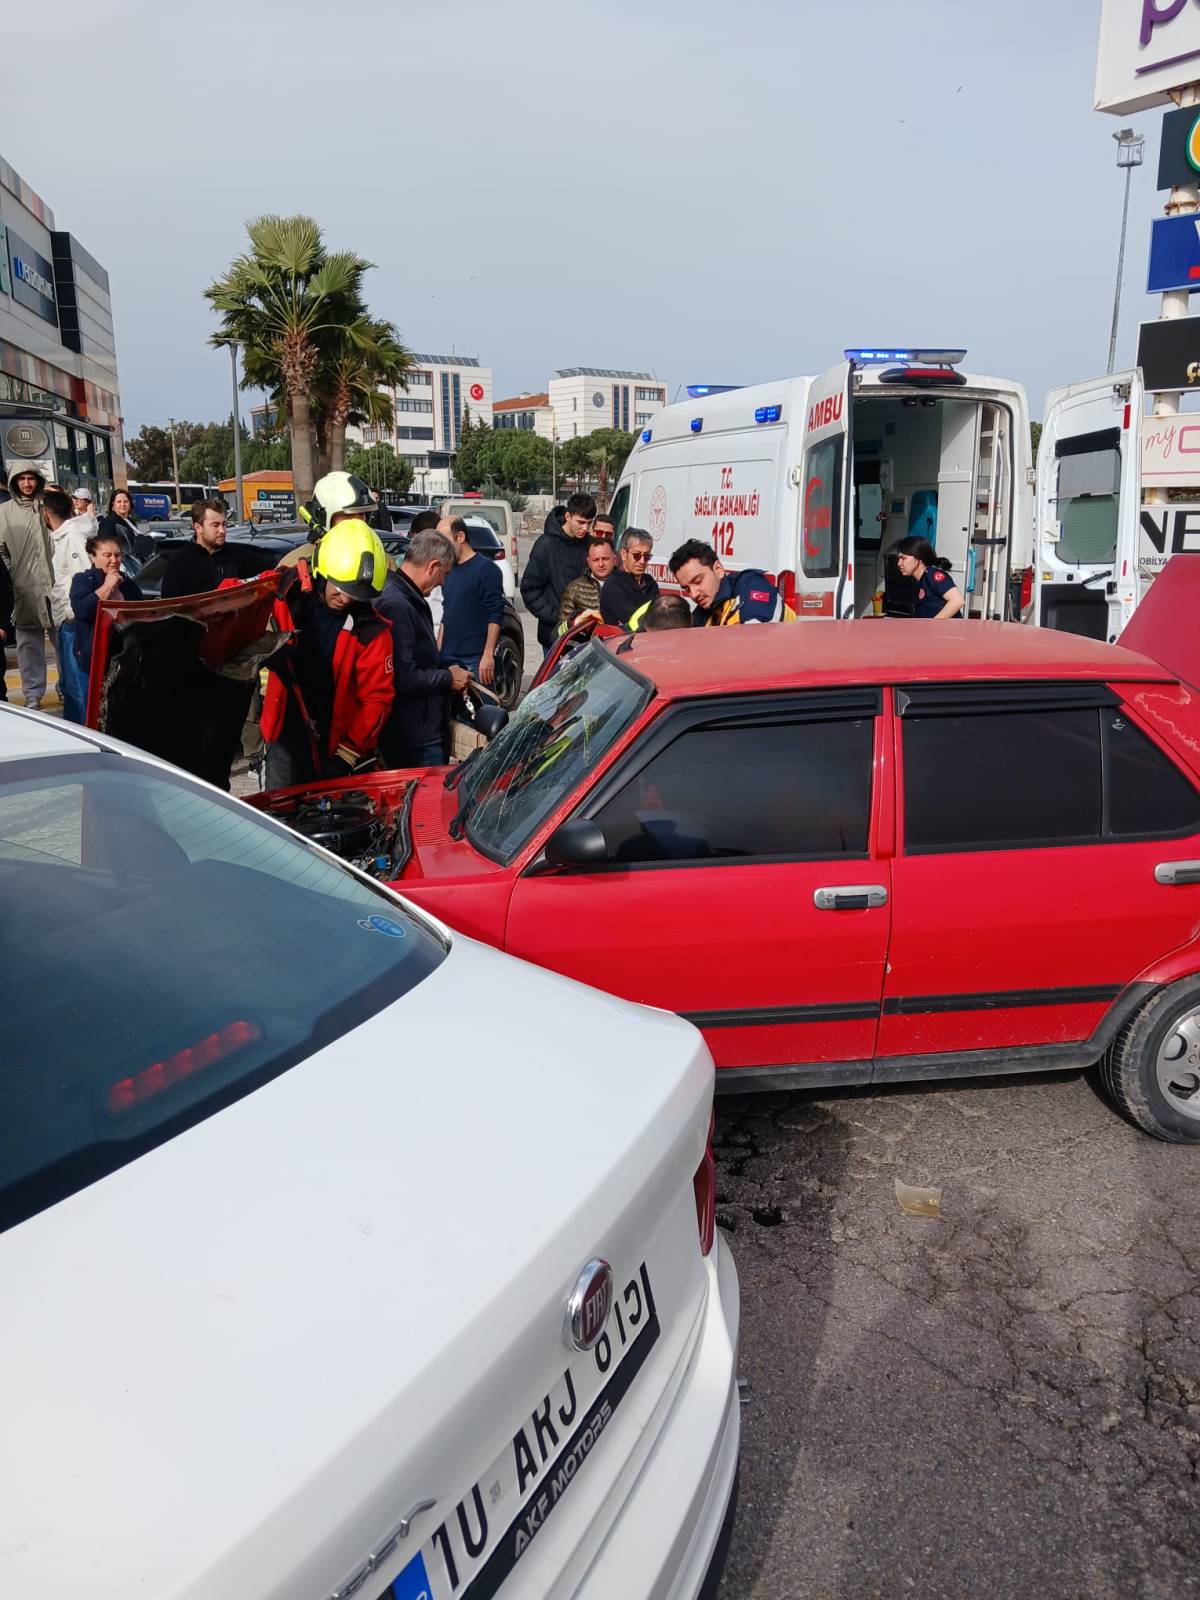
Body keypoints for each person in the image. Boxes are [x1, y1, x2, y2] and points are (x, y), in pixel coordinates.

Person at [260, 518, 395, 788]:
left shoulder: (372, 632)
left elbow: (376, 699)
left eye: (355, 594)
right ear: (322, 571)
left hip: (333, 745)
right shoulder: (285, 593)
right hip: (284, 733)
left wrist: (346, 756)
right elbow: (235, 602)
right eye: (341, 588)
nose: (346, 598)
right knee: (276, 814)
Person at [375, 527, 470, 767]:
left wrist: (449, 664)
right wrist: (448, 678)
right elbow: (403, 676)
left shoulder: (406, 597)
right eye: (443, 575)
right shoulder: (398, 605)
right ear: (432, 566)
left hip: (420, 728)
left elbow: (422, 657)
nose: (442, 583)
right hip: (413, 737)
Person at [0, 462, 53, 709]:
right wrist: (14, 572)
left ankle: (66, 687)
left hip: (54, 586)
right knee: (28, 646)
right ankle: (33, 694)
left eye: (31, 478)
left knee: (63, 641)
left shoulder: (48, 505)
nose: (27, 483)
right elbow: (1, 550)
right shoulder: (5, 512)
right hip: (24, 588)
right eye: (22, 479)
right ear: (14, 483)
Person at [520, 492, 595, 653]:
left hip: (588, 638)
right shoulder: (545, 545)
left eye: (589, 523)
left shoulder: (590, 545)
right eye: (581, 522)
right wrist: (557, 616)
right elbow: (529, 589)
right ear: (568, 516)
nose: (585, 528)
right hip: (555, 639)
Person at [46, 487, 94, 723]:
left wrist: (71, 614)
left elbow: (84, 578)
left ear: (45, 514)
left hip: (74, 622)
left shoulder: (72, 537)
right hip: (66, 621)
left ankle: (89, 739)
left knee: (78, 691)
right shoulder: (61, 537)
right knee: (70, 689)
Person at [437, 515, 504, 685]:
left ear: (460, 537)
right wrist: (437, 652)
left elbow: (495, 614)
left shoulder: (486, 569)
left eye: (444, 540)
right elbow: (447, 612)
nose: (440, 547)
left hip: (476, 660)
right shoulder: (448, 570)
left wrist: (488, 655)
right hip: (448, 659)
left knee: (482, 710)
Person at [69, 530, 144, 681]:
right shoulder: (83, 580)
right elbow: (83, 611)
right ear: (93, 557)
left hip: (126, 656)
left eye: (117, 555)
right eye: (107, 555)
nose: (114, 560)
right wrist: (107, 586)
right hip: (96, 659)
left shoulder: (128, 585)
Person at [669, 538, 795, 626]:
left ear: (718, 569)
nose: (694, 594)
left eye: (698, 581)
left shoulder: (751, 586)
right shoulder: (701, 615)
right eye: (687, 589)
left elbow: (753, 644)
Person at [161, 498, 261, 596]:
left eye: (224, 524)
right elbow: (169, 607)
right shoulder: (179, 562)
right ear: (198, 527)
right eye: (215, 525)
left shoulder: (239, 557)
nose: (222, 530)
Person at [281, 470, 378, 570]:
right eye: (348, 515)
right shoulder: (292, 566)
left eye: (362, 513)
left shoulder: (382, 561)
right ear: (323, 517)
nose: (359, 521)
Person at [600, 527, 660, 628]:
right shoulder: (613, 585)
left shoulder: (650, 582)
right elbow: (635, 621)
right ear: (623, 554)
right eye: (636, 555)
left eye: (646, 557)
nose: (642, 561)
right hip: (619, 641)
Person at [893, 536, 964, 619]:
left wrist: (933, 624)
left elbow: (957, 601)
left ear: (919, 558)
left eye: (903, 558)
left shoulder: (932, 575)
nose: (899, 563)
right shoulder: (917, 582)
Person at [558, 536, 615, 632]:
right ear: (589, 562)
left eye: (605, 559)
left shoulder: (626, 584)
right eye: (596, 560)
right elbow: (559, 631)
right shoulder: (574, 588)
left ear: (614, 559)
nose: (601, 564)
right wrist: (576, 621)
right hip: (587, 645)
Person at [99, 489, 140, 558]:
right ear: (113, 505)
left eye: (125, 501)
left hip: (136, 562)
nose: (123, 504)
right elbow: (105, 547)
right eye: (119, 502)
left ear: (130, 504)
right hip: (122, 564)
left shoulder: (130, 521)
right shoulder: (108, 522)